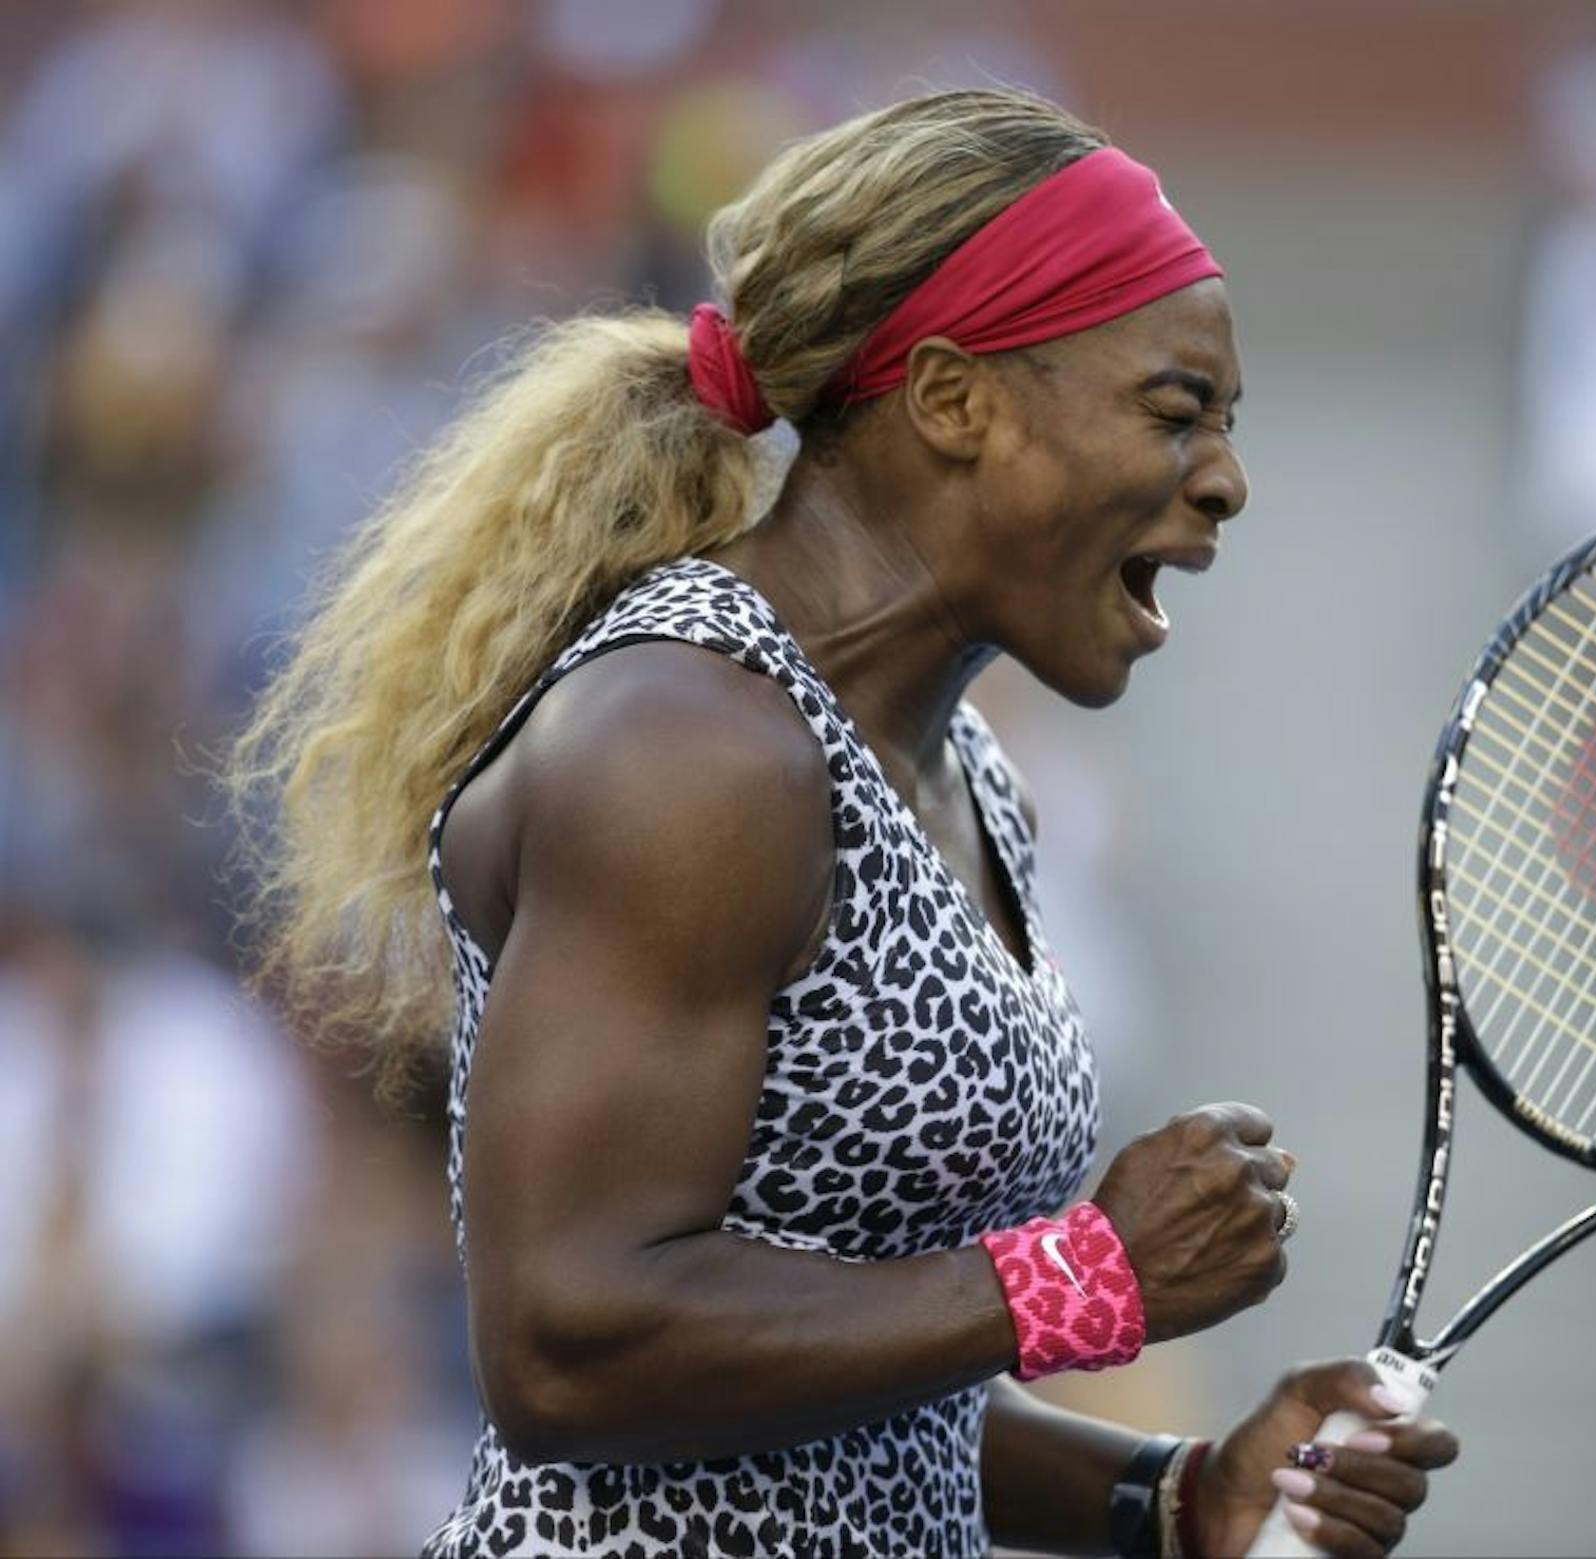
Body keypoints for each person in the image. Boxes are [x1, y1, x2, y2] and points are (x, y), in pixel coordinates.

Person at [227, 88, 1458, 1558]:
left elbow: (844, 1367)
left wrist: (1168, 1498)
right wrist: (1085, 1275)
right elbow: (572, 1344)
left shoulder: (954, 773)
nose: (1225, 482)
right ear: (953, 399)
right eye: (1174, 411)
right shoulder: (689, 744)